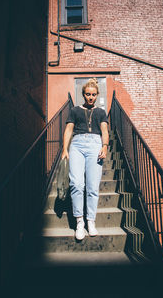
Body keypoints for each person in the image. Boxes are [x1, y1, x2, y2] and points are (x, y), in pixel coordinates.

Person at [61, 78, 109, 240]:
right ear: (83, 94)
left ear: (97, 95)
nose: (90, 97)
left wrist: (105, 146)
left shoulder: (101, 112)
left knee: (92, 186)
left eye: (93, 94)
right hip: (77, 145)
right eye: (88, 94)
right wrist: (64, 149)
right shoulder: (74, 110)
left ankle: (91, 221)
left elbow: (104, 130)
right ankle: (79, 221)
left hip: (95, 145)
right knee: (76, 183)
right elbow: (69, 129)